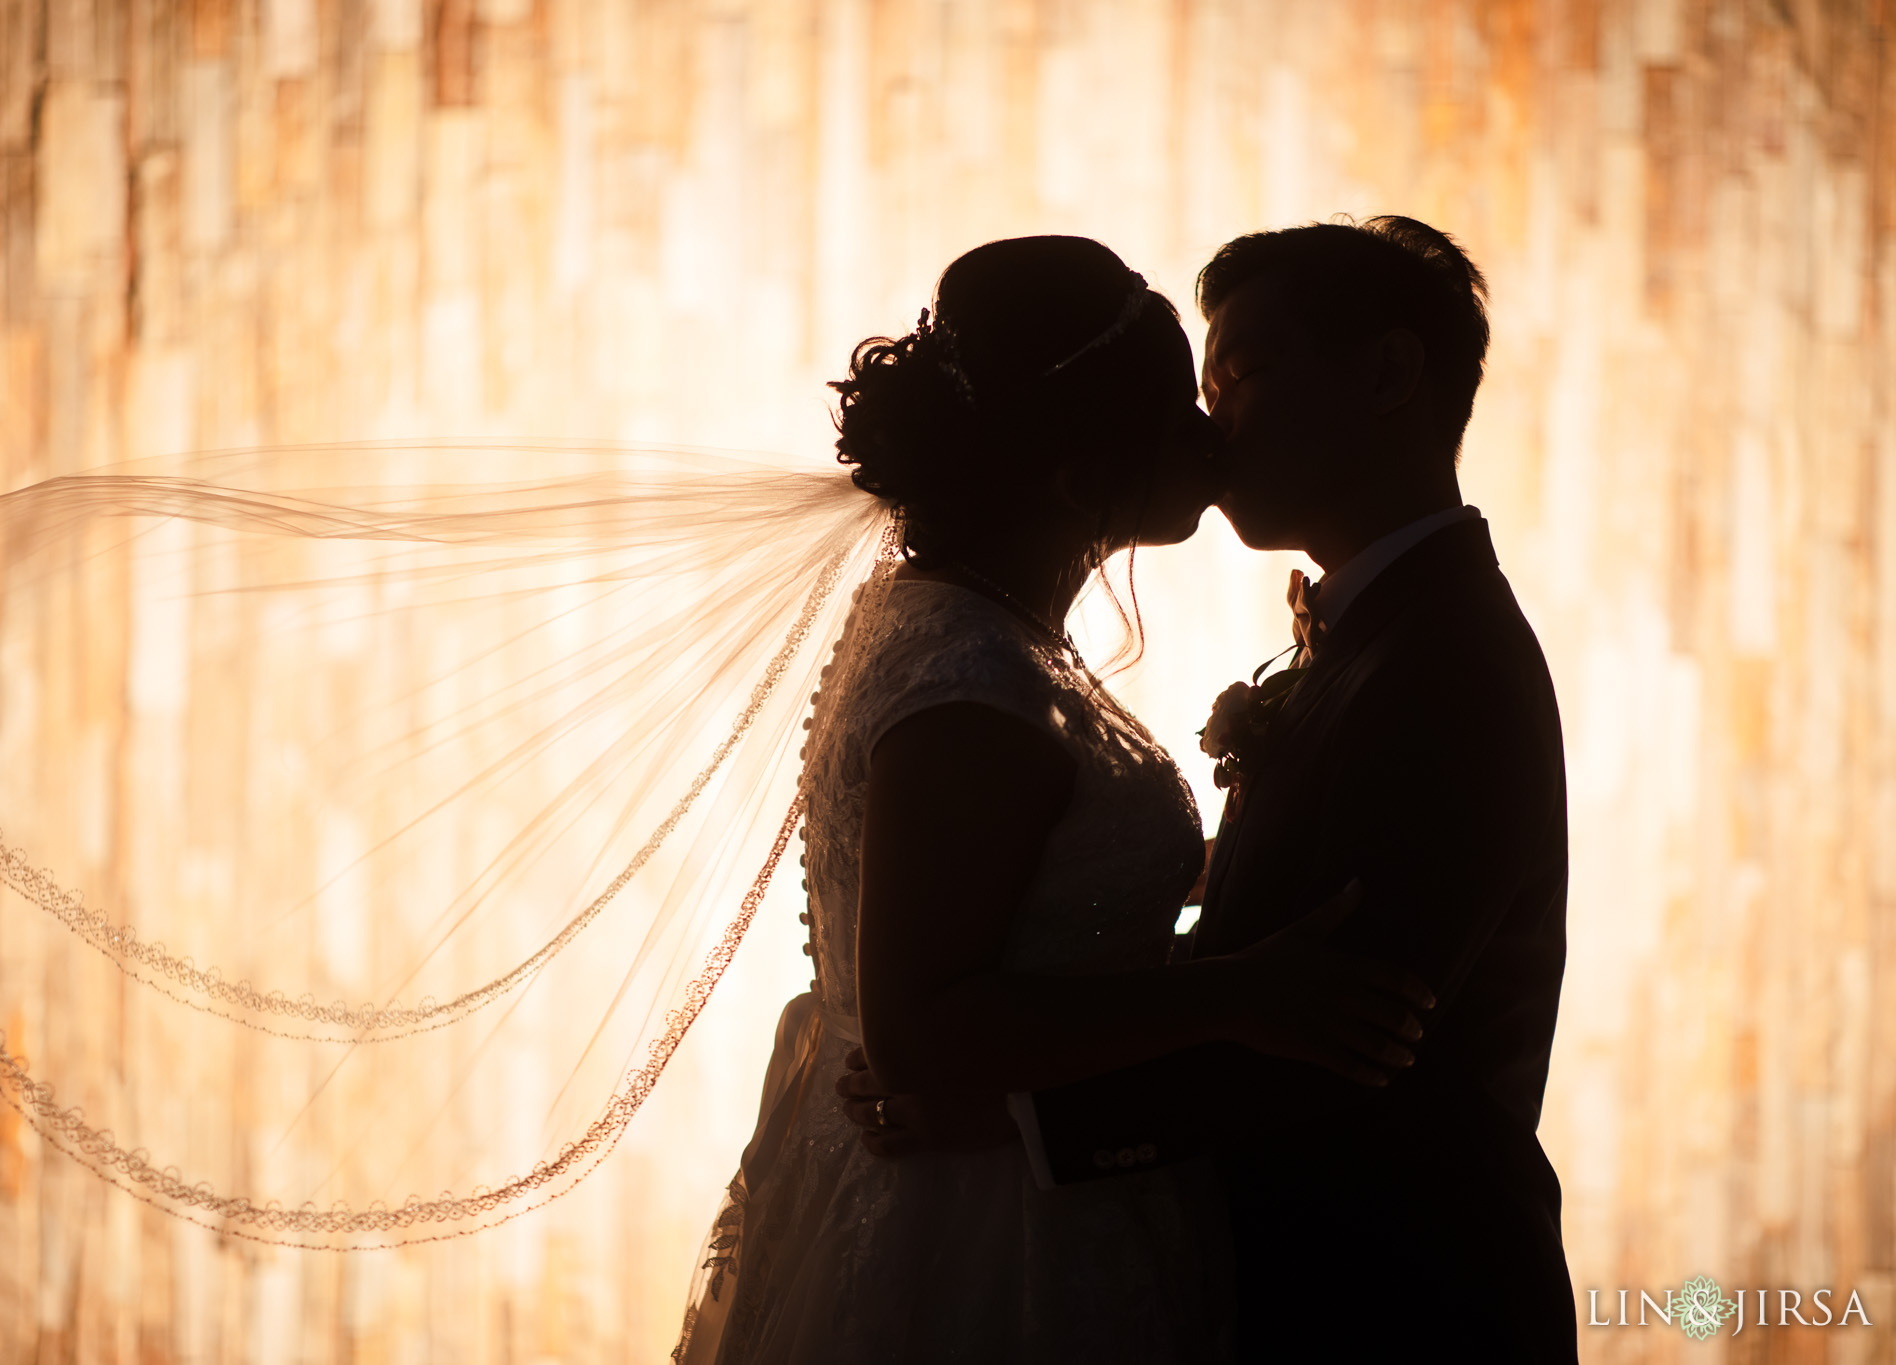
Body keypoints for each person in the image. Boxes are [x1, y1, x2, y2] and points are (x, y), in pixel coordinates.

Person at [672, 234, 1435, 1365]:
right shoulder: (973, 692)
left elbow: (1032, 899)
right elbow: (921, 1035)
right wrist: (1231, 996)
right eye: (1180, 409)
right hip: (989, 1246)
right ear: (1077, 472)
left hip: (1010, 1193)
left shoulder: (967, 632)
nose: (1209, 435)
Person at [840, 217, 1576, 1362]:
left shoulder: (1447, 664)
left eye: (1237, 375)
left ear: (1386, 374)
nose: (1210, 421)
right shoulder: (1363, 637)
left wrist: (1009, 1118)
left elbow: (1344, 1040)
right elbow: (1266, 967)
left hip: (1394, 1306)